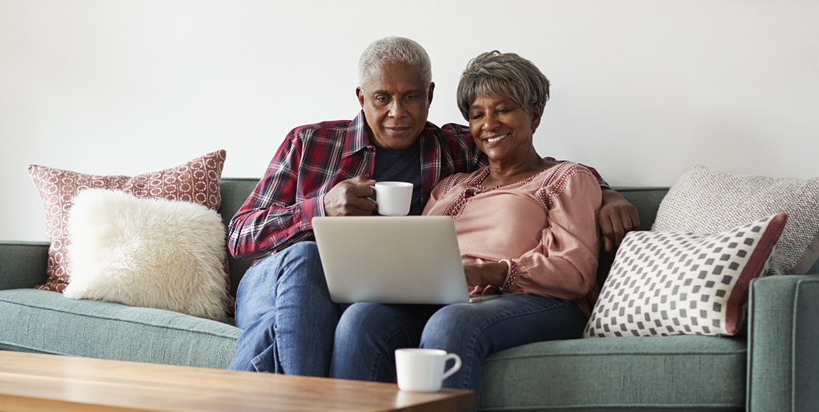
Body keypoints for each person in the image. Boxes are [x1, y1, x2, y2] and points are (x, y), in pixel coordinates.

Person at [227, 37, 637, 377]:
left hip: (415, 294)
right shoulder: (311, 142)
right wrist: (318, 209)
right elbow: (240, 234)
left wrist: (610, 194)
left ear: (430, 96)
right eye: (382, 98)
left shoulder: (452, 151)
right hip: (278, 277)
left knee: (356, 318)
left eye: (410, 97)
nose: (397, 112)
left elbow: (542, 172)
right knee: (306, 257)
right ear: (361, 97)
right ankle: (306, 402)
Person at [328, 50, 600, 409]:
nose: (489, 124)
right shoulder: (451, 184)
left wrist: (486, 271)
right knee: (362, 318)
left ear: (534, 114)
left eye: (502, 109)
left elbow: (575, 272)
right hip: (449, 298)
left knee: (450, 324)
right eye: (477, 114)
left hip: (537, 302)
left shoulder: (564, 179)